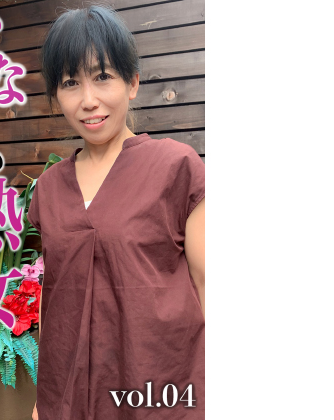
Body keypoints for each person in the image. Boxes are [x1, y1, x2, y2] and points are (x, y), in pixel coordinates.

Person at [28, 5, 205, 420]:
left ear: (132, 83)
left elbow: (208, 283)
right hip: (70, 395)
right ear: (56, 96)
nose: (88, 100)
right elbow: (52, 296)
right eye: (71, 83)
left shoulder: (175, 166)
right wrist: (43, 398)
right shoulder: (49, 188)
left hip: (159, 390)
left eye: (103, 76)